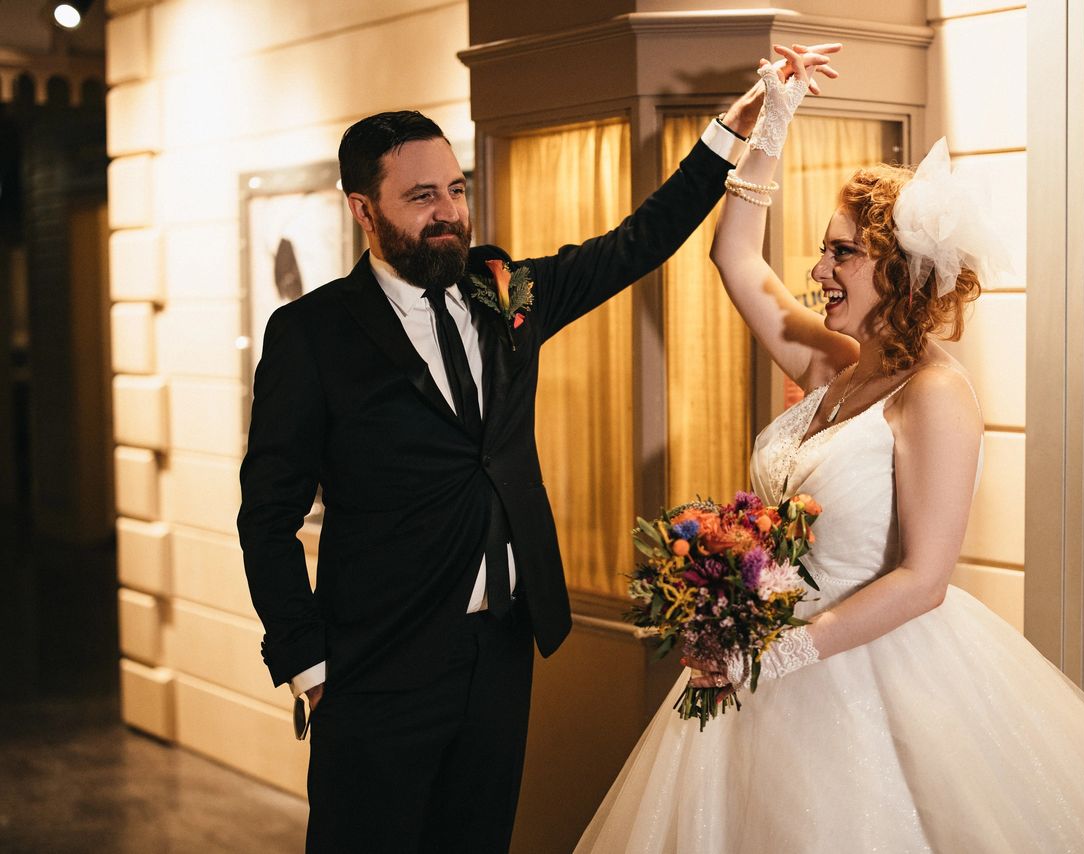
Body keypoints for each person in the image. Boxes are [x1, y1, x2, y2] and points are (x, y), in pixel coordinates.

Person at [575, 47, 1084, 853]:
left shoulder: (935, 397)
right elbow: (733, 257)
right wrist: (775, 118)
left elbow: (926, 579)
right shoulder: (831, 363)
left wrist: (777, 658)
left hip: (865, 676)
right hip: (764, 667)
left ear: (904, 269)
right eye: (827, 250)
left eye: (842, 252)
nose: (819, 269)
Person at [237, 46, 841, 854]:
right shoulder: (310, 336)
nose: (448, 211)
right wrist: (310, 667)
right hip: (375, 663)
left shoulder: (505, 293)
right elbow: (265, 518)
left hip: (501, 651)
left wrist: (742, 119)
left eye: (455, 189)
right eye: (421, 197)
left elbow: (641, 240)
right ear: (362, 210)